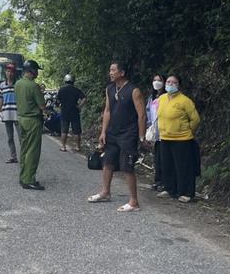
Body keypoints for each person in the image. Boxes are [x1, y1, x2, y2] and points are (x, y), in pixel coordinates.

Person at [87, 61, 148, 212]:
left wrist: (141, 136)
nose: (110, 73)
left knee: (127, 167)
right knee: (107, 162)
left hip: (128, 134)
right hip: (112, 133)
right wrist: (103, 132)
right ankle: (105, 192)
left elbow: (142, 115)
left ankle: (134, 202)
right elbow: (107, 111)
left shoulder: (134, 91)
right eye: (110, 70)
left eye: (113, 70)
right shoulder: (110, 89)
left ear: (122, 72)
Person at [156, 74, 201, 203]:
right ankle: (170, 189)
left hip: (182, 139)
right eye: (168, 82)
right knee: (167, 165)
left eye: (173, 82)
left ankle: (187, 192)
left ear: (178, 85)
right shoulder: (162, 98)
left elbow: (195, 119)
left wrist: (186, 130)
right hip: (165, 137)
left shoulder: (185, 101)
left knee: (183, 167)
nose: (170, 84)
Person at [14, 60, 47, 190]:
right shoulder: (33, 86)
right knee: (33, 150)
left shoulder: (18, 83)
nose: (37, 72)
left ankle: (23, 177)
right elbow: (42, 105)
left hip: (21, 118)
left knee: (24, 149)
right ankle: (29, 179)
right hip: (33, 120)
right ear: (32, 71)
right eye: (36, 70)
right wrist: (41, 92)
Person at [0, 63, 20, 163]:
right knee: (10, 137)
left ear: (14, 73)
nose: (9, 74)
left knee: (21, 137)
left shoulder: (18, 84)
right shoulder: (2, 85)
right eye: (8, 71)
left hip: (17, 113)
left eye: (11, 72)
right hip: (7, 113)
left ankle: (24, 156)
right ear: (5, 72)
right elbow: (1, 99)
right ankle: (13, 156)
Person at [56, 74, 86, 152]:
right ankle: (77, 146)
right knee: (76, 130)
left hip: (64, 112)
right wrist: (79, 106)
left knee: (64, 130)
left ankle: (63, 146)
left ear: (65, 80)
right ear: (73, 81)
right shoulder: (76, 90)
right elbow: (84, 98)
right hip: (74, 112)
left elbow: (58, 100)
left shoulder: (61, 90)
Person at [147, 74, 166, 191]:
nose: (156, 82)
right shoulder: (151, 98)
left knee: (164, 158)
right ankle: (158, 180)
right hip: (155, 133)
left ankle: (164, 182)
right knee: (157, 158)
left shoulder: (166, 97)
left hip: (165, 132)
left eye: (159, 80)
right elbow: (148, 113)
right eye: (154, 80)